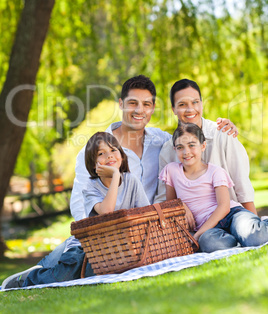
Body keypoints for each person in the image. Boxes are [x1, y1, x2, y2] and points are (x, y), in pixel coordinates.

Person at [5, 76, 236, 274]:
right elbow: (79, 206)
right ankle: (31, 277)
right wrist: (103, 236)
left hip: (148, 232)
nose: (139, 110)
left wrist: (219, 128)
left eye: (146, 104)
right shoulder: (98, 150)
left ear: (153, 108)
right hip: (106, 234)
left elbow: (189, 142)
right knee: (64, 264)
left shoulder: (162, 141)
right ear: (120, 104)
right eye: (132, 103)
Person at [2, 132, 150, 289]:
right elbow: (107, 212)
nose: (109, 156)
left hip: (119, 247)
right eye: (101, 153)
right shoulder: (90, 188)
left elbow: (146, 213)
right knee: (62, 277)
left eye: (114, 150)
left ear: (121, 154)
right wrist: (114, 175)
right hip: (86, 247)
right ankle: (27, 279)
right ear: (94, 164)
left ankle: (47, 271)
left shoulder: (131, 181)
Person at [159, 123, 268, 253]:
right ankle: (239, 238)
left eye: (192, 145)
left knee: (256, 237)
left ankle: (251, 230)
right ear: (175, 149)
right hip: (211, 228)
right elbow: (169, 204)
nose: (186, 151)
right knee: (209, 244)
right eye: (180, 147)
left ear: (203, 146)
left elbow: (224, 206)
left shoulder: (215, 171)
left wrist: (199, 233)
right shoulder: (171, 170)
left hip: (232, 215)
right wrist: (181, 204)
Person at [158, 78, 257, 216]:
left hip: (232, 216)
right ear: (173, 109)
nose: (190, 109)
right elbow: (165, 198)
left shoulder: (223, 134)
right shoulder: (168, 151)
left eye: (195, 102)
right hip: (196, 226)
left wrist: (254, 223)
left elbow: (242, 184)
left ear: (202, 104)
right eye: (182, 104)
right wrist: (179, 206)